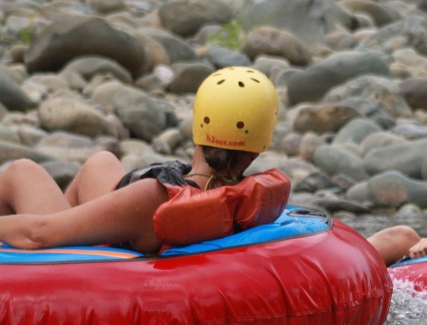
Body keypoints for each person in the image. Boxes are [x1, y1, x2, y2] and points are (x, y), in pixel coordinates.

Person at [0, 66, 285, 253]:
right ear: (258, 146)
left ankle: (41, 262)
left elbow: (37, 235)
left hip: (81, 262)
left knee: (22, 171)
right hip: (139, 227)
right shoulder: (239, 196)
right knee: (101, 161)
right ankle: (74, 228)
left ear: (198, 126)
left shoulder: (154, 197)